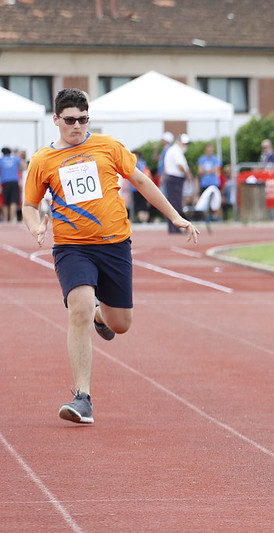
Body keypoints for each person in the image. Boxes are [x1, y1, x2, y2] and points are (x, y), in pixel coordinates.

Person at [22, 88, 199, 424]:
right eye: (70, 120)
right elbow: (30, 205)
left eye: (83, 119)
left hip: (115, 244)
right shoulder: (43, 160)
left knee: (121, 324)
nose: (77, 126)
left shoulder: (108, 146)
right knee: (80, 308)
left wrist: (175, 216)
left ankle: (102, 317)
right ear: (56, 120)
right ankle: (82, 398)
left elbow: (142, 181)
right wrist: (35, 228)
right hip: (72, 247)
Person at [163, 133, 194, 233]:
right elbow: (180, 165)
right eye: (184, 143)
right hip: (175, 178)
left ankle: (173, 228)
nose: (185, 146)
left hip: (172, 178)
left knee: (173, 202)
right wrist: (188, 174)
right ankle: (175, 228)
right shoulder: (176, 151)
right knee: (175, 203)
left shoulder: (173, 150)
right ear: (179, 142)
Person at [1, 146, 24, 222]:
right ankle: (11, 220)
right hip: (14, 182)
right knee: (13, 201)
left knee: (6, 202)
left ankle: (6, 220)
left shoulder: (1, 160)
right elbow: (23, 166)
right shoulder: (15, 159)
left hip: (5, 182)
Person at [130, 151, 153, 223]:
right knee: (144, 205)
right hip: (144, 187)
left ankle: (142, 220)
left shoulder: (133, 163)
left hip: (136, 187)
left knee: (139, 206)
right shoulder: (143, 163)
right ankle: (145, 220)